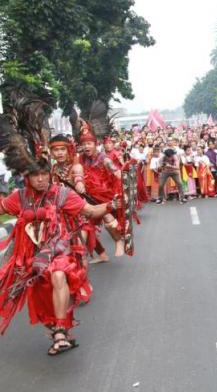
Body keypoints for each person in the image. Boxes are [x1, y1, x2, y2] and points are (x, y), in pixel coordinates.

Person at [0, 99, 119, 355]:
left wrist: (112, 205)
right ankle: (57, 331)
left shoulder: (63, 194)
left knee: (58, 274)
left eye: (44, 173)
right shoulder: (19, 198)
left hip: (62, 250)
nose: (41, 179)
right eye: (35, 174)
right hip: (32, 259)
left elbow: (90, 210)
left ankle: (63, 331)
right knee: (44, 299)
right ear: (27, 176)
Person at [74, 116, 126, 260]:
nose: (86, 146)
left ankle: (118, 241)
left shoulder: (104, 158)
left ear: (95, 144)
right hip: (85, 197)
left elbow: (114, 170)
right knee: (84, 226)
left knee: (108, 219)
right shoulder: (80, 158)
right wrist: (79, 182)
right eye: (84, 144)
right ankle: (100, 255)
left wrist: (121, 176)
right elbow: (77, 172)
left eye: (89, 143)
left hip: (103, 196)